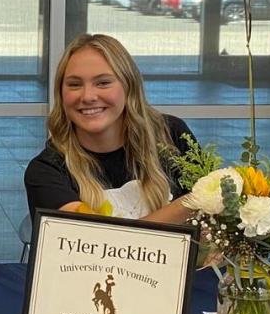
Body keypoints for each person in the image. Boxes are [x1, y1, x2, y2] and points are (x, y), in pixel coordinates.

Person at [24, 34, 195, 223]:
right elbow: (107, 243)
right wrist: (193, 202)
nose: (88, 96)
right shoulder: (46, 171)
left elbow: (212, 224)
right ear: (61, 94)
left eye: (103, 82)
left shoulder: (171, 135)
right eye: (75, 84)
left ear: (128, 86)